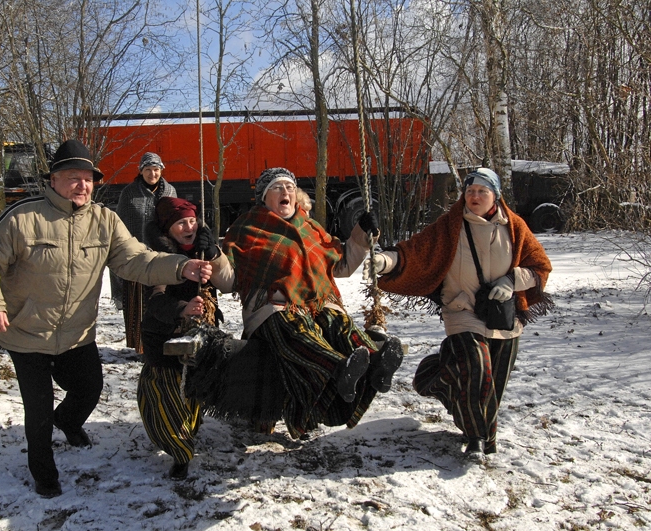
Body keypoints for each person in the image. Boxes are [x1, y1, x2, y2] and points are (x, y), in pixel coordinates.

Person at [0, 140, 212, 498]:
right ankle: (44, 474)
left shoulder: (104, 220)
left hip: (77, 334)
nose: (81, 185)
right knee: (38, 411)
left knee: (88, 389)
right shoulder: (22, 217)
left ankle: (69, 421)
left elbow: (137, 259)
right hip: (26, 332)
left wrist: (181, 266)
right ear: (52, 180)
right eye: (71, 177)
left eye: (87, 179)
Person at [181, 167, 404, 440]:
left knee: (338, 323)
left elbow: (342, 263)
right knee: (295, 329)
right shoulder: (247, 227)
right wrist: (215, 255)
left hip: (318, 303)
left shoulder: (310, 227)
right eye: (277, 188)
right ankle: (337, 369)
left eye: (289, 187)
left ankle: (375, 362)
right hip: (272, 308)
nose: (285, 192)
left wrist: (360, 234)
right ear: (264, 196)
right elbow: (229, 281)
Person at [366, 167, 552, 459]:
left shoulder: (515, 226)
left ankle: (437, 375)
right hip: (461, 310)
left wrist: (511, 281)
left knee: (491, 389)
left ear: (495, 195)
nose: (474, 196)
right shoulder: (451, 225)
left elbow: (540, 267)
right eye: (470, 191)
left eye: (482, 191)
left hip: (503, 318)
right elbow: (415, 251)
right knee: (477, 369)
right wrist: (384, 261)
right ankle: (480, 441)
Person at [137, 197, 232, 480]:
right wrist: (183, 309)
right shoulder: (158, 256)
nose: (189, 226)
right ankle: (179, 451)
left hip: (201, 337)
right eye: (181, 223)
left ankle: (187, 435)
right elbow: (155, 301)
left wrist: (214, 252)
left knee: (193, 392)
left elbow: (228, 283)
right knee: (165, 398)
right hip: (164, 339)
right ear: (168, 230)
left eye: (192, 220)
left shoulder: (204, 250)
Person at [114, 152, 178, 353]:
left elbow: (176, 221)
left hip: (162, 257)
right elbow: (121, 225)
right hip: (136, 257)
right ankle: (139, 346)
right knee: (137, 304)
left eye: (156, 169)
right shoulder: (129, 193)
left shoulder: (170, 191)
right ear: (141, 171)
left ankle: (162, 342)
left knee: (161, 300)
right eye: (148, 169)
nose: (153, 173)